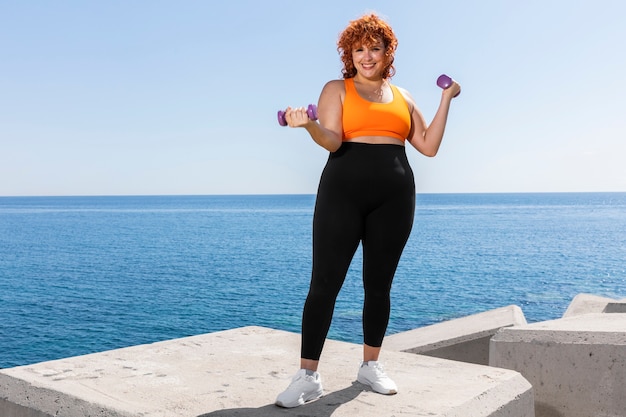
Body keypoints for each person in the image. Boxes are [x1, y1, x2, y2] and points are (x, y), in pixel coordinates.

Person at [275, 13, 461, 408]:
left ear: (386, 52)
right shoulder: (336, 89)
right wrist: (308, 124)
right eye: (359, 49)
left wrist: (446, 98)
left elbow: (427, 145)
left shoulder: (404, 97)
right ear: (349, 54)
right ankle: (308, 376)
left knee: (378, 286)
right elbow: (331, 140)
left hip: (395, 198)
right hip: (342, 194)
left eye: (374, 48)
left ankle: (369, 366)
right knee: (324, 284)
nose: (366, 56)